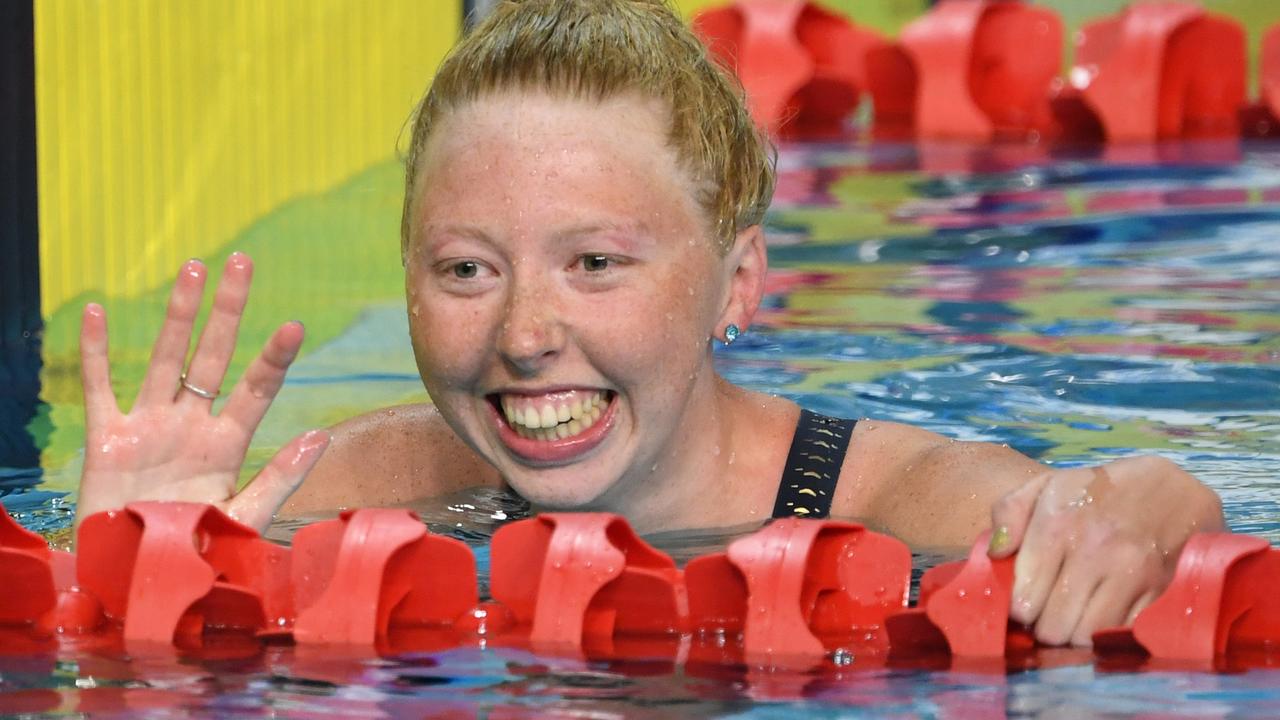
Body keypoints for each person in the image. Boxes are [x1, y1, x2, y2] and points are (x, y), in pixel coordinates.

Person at [74, 0, 1223, 648]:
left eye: (594, 263)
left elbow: (1110, 526)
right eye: (467, 268)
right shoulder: (352, 488)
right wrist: (135, 585)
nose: (526, 333)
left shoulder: (897, 503)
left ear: (736, 282)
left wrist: (1159, 493)